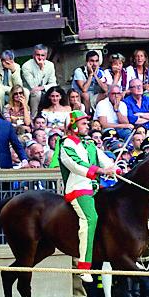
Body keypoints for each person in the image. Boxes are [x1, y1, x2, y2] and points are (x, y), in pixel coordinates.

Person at [56, 111, 117, 279]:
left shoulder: (89, 144)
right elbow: (76, 164)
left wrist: (116, 169)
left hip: (95, 187)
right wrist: (101, 171)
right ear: (73, 126)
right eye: (83, 124)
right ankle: (83, 265)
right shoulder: (66, 145)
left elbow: (103, 158)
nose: (87, 126)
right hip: (78, 189)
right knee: (90, 219)